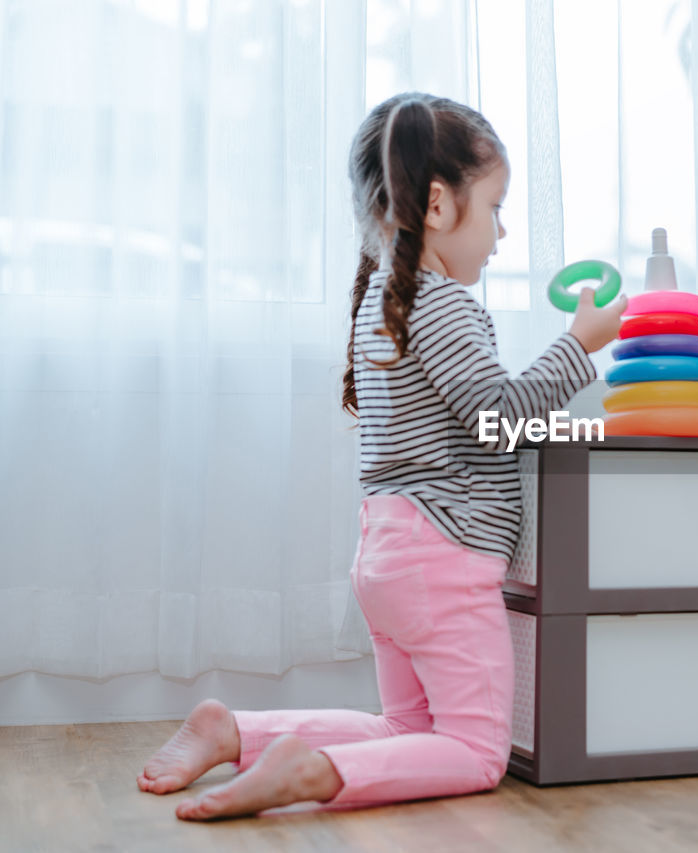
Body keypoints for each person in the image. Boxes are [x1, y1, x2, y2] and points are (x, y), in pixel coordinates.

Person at [136, 92, 626, 818]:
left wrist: (590, 432)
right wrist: (579, 344)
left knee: (405, 726)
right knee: (475, 748)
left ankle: (236, 731)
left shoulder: (384, 303)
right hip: (445, 560)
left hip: (390, 555)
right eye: (494, 207)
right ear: (436, 206)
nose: (502, 230)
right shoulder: (445, 303)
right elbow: (499, 418)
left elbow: (466, 425)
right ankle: (315, 770)